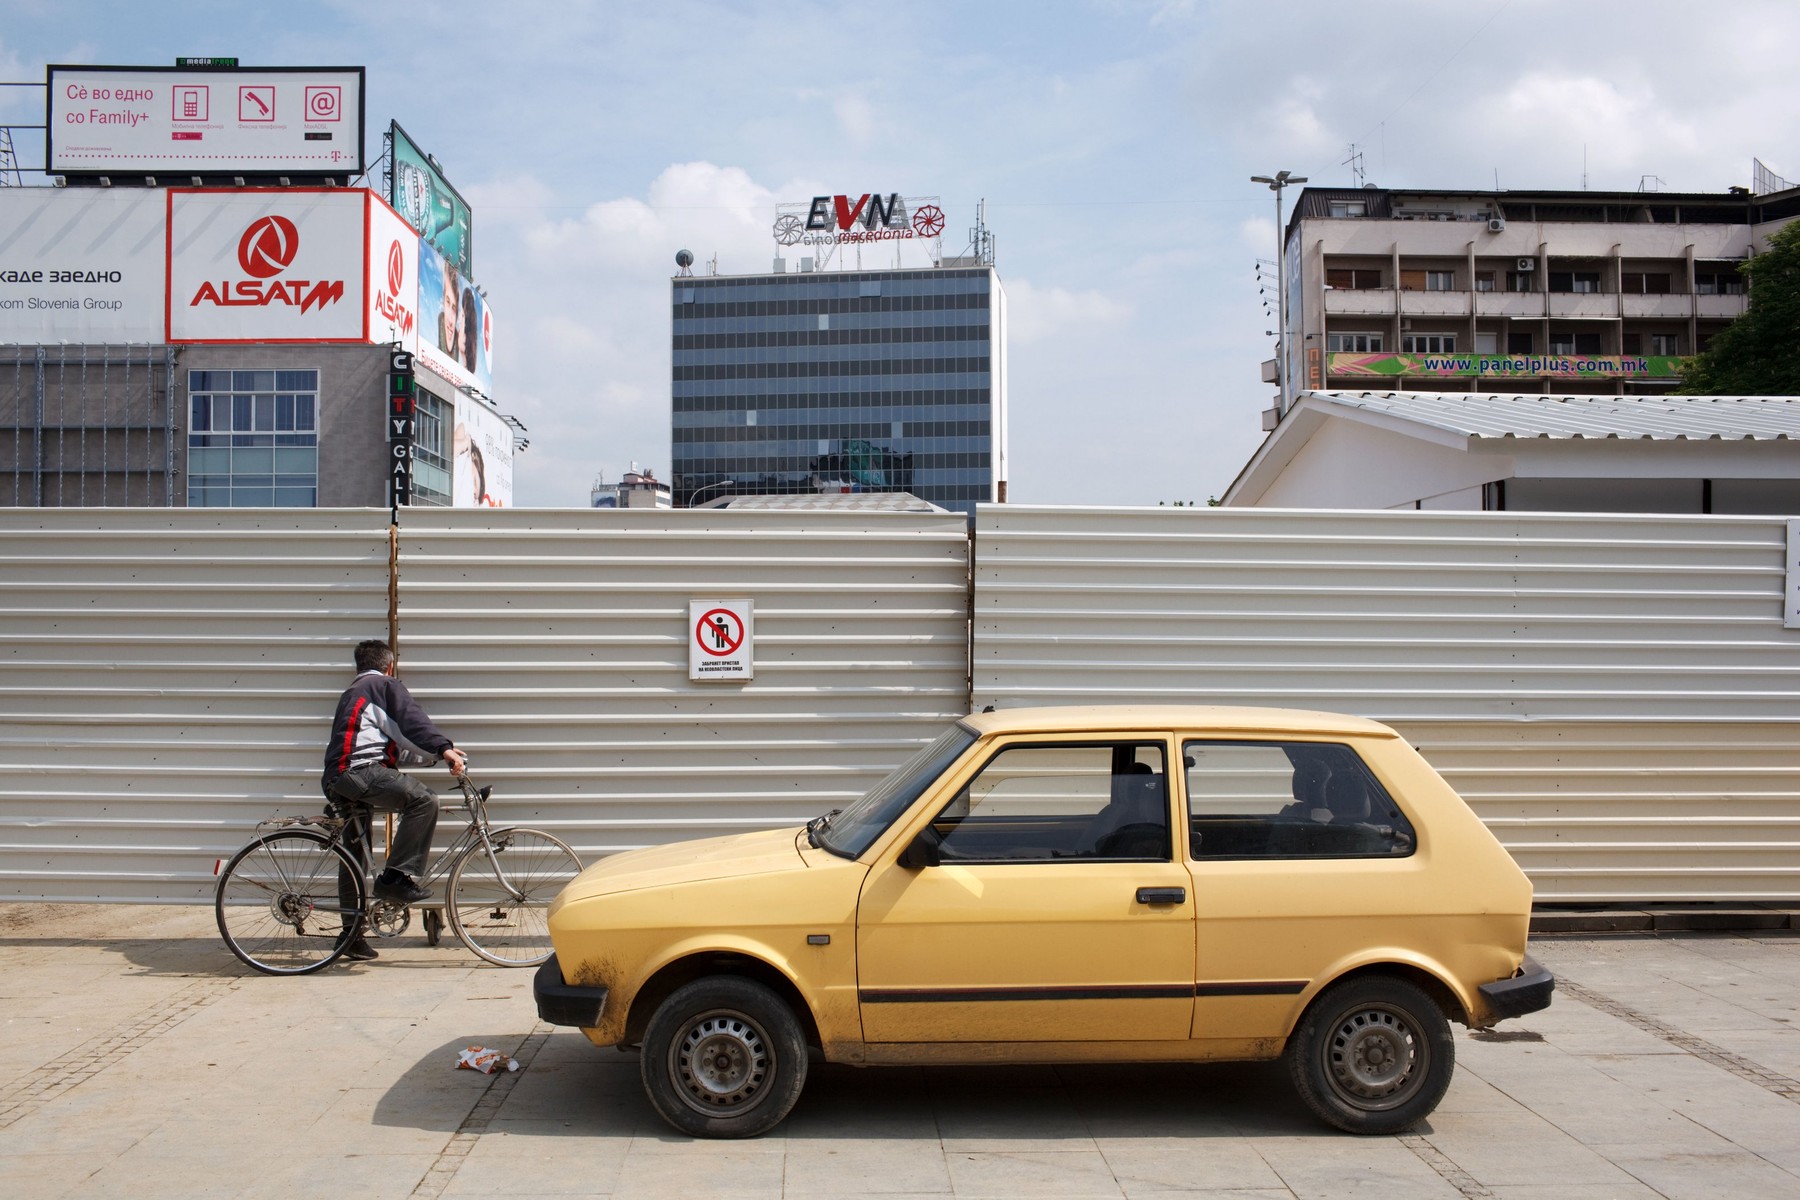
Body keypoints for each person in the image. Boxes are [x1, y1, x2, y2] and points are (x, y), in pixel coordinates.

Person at [320, 639, 467, 960]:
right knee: (424, 800)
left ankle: (350, 936)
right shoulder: (383, 685)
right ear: (389, 666)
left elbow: (391, 746)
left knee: (354, 855)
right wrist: (444, 747)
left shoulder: (355, 693)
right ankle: (395, 878)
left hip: (340, 777)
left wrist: (434, 757)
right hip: (359, 772)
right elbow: (411, 721)